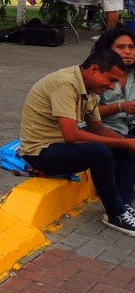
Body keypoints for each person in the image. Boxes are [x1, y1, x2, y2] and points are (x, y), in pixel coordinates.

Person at [19, 50, 135, 236]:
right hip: (41, 153)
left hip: (63, 147)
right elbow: (72, 135)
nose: (112, 87)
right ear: (94, 70)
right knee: (100, 152)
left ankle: (124, 205)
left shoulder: (90, 88)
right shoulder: (66, 83)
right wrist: (122, 144)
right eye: (111, 80)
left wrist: (128, 144)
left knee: (127, 144)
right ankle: (115, 214)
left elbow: (97, 128)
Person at [95, 28, 135, 137]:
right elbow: (84, 113)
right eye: (120, 47)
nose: (127, 51)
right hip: (104, 128)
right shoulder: (95, 74)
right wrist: (120, 107)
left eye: (131, 47)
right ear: (107, 51)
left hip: (131, 127)